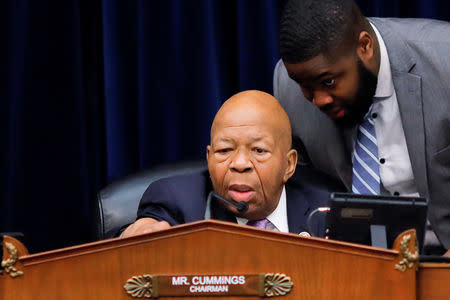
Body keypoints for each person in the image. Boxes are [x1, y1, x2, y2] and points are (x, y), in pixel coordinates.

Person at [273, 0, 450, 253]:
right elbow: (302, 193)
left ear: (364, 46)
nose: (318, 99)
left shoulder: (445, 62)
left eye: (329, 81)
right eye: (305, 86)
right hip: (354, 265)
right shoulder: (288, 87)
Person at [120, 90, 334, 238]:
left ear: (289, 164)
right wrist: (135, 234)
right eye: (224, 151)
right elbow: (146, 231)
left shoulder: (327, 209)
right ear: (209, 157)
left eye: (259, 151)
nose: (240, 164)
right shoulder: (178, 203)